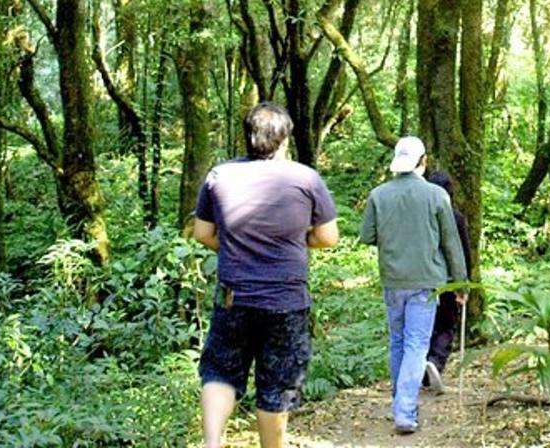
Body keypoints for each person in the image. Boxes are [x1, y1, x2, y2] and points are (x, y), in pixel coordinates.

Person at [192, 102, 339, 448]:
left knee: (220, 371)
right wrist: (291, 241)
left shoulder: (219, 175)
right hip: (286, 299)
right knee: (275, 387)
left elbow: (202, 233)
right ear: (285, 139)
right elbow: (328, 236)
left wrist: (235, 247)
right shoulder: (305, 178)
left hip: (233, 296)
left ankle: (212, 443)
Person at [360, 137, 468, 435]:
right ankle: (405, 412)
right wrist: (460, 283)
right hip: (426, 281)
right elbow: (451, 243)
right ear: (423, 160)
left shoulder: (378, 195)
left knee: (398, 341)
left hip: (393, 279)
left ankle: (401, 403)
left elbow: (367, 235)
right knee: (416, 345)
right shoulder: (436, 196)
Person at [423, 169, 472, 394]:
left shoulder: (421, 216)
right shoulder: (455, 217)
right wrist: (464, 283)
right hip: (449, 280)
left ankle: (424, 369)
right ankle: (435, 361)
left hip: (423, 278)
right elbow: (463, 251)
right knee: (446, 325)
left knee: (426, 325)